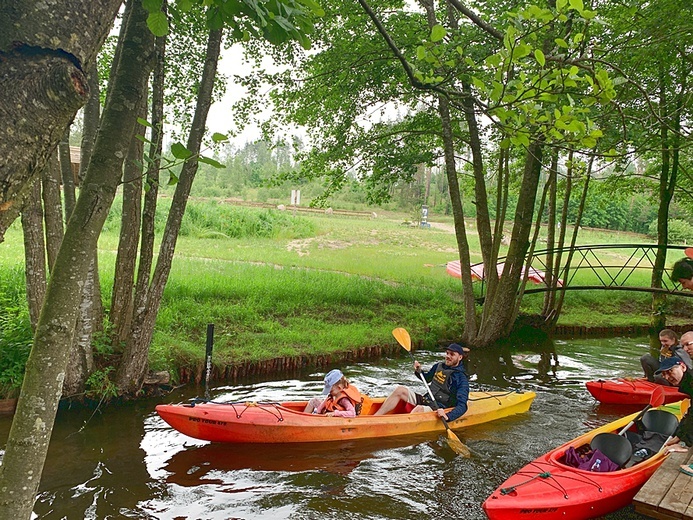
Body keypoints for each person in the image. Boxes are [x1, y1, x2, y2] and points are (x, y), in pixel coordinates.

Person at [373, 343, 470, 422]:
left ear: (460, 357)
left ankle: (401, 426)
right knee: (400, 390)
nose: (448, 356)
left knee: (418, 409)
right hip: (427, 400)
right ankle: (375, 418)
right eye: (447, 353)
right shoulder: (438, 366)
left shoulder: (461, 378)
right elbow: (426, 378)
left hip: (440, 407)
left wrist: (448, 416)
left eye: (452, 354)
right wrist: (419, 371)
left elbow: (462, 405)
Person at [655, 358, 693, 451]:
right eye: (664, 374)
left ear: (683, 367)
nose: (667, 377)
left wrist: (684, 444)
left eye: (670, 371)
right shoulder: (687, 383)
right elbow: (689, 414)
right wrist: (679, 436)